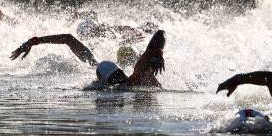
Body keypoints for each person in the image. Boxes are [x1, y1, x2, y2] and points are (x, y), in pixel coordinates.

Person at [10, 30, 166, 87]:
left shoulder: (138, 74)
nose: (116, 80)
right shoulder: (133, 78)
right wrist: (34, 41)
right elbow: (68, 38)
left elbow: (160, 34)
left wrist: (158, 52)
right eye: (113, 78)